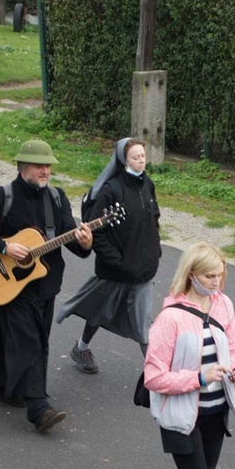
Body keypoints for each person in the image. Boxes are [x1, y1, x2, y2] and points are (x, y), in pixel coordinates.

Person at [0, 139, 93, 433]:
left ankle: (6, 388)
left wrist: (85, 244)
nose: (45, 170)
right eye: (39, 165)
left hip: (45, 285)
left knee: (37, 341)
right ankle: (39, 408)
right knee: (30, 343)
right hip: (12, 287)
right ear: (23, 167)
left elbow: (69, 240)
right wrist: (5, 247)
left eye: (48, 166)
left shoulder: (57, 198)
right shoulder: (2, 197)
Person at [144, 242, 235, 469]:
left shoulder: (224, 304)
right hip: (182, 418)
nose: (217, 282)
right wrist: (200, 378)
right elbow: (153, 378)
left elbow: (232, 349)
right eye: (210, 276)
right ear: (191, 275)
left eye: (220, 275)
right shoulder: (170, 318)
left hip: (217, 413)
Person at [57, 137, 161, 373]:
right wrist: (119, 263)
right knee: (99, 310)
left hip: (143, 271)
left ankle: (156, 372)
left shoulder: (148, 185)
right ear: (124, 160)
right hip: (116, 271)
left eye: (143, 156)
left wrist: (155, 251)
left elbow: (154, 218)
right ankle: (82, 348)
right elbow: (96, 232)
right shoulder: (110, 190)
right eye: (136, 157)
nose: (141, 161)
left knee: (143, 321)